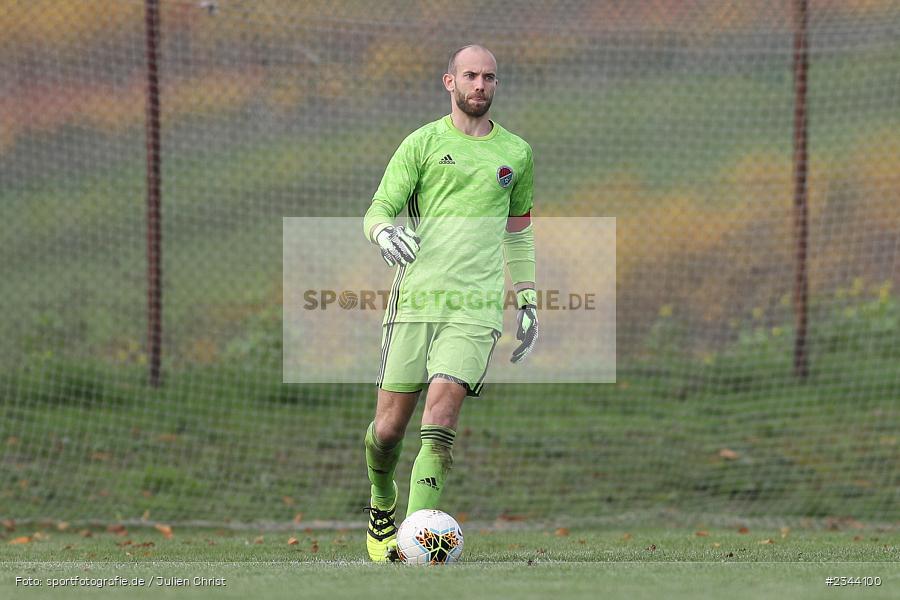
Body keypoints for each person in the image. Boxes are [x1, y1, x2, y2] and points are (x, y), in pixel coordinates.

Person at [361, 44, 537, 562]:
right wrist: (383, 233)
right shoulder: (421, 144)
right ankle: (382, 497)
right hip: (416, 300)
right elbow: (378, 209)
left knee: (440, 417)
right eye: (470, 76)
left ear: (496, 85)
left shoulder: (517, 154)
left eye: (488, 77)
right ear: (449, 82)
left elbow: (519, 232)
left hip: (476, 308)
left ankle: (411, 545)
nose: (479, 85)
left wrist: (527, 299)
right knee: (389, 430)